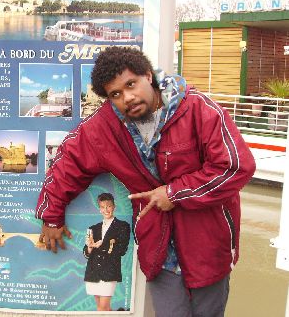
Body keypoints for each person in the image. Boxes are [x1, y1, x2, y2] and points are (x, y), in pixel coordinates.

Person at [35, 47, 256, 317]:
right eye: (115, 94)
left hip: (208, 240)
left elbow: (236, 166)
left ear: (148, 76)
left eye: (131, 84)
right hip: (159, 247)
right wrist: (52, 215)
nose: (127, 97)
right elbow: (68, 163)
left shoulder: (198, 109)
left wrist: (174, 193)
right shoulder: (105, 127)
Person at [83, 193, 130, 311]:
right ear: (99, 209)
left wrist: (101, 245)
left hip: (109, 271)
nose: (106, 209)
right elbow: (86, 253)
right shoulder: (93, 228)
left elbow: (122, 249)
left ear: (114, 206)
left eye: (108, 206)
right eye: (103, 207)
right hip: (93, 271)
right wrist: (90, 247)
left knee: (102, 309)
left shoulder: (123, 226)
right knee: (102, 308)